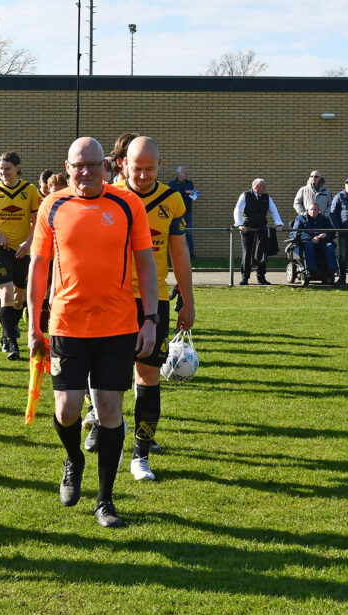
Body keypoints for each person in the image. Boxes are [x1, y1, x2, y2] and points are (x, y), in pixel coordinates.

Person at [26, 136, 159, 528]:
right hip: (66, 324)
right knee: (66, 411)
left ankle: (105, 500)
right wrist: (33, 323)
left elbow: (147, 265)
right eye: (77, 165)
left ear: (107, 166)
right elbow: (37, 266)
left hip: (117, 326)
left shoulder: (127, 204)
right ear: (66, 168)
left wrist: (149, 319)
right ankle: (73, 459)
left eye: (92, 165)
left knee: (109, 412)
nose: (85, 172)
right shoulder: (52, 206)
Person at [109, 136, 194, 481]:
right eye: (137, 168)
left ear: (160, 166)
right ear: (123, 164)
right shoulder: (108, 195)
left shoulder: (171, 200)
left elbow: (180, 254)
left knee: (148, 376)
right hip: (111, 298)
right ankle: (105, 428)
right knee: (109, 378)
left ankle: (141, 455)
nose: (143, 176)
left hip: (152, 300)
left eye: (150, 169)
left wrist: (187, 298)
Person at [0, 151, 42, 361]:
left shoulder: (29, 190)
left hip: (23, 249)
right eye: (1, 169)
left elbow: (38, 222)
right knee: (5, 292)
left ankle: (6, 331)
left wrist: (29, 242)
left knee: (18, 297)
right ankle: (13, 343)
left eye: (7, 169)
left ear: (17, 168)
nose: (3, 173)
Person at [234, 178, 284, 285]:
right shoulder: (245, 196)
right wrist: (240, 225)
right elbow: (238, 210)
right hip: (248, 228)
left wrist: (279, 224)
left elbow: (273, 210)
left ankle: (261, 277)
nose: (265, 188)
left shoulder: (266, 197)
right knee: (247, 253)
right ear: (256, 187)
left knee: (262, 253)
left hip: (261, 228)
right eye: (263, 186)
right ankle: (245, 277)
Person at [292, 202, 337, 277]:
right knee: (309, 245)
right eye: (311, 209)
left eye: (315, 209)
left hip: (322, 241)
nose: (313, 211)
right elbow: (295, 232)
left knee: (330, 245)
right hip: (306, 241)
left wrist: (325, 234)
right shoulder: (300, 218)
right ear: (307, 210)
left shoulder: (324, 219)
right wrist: (310, 238)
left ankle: (331, 270)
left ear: (319, 211)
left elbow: (332, 231)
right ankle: (313, 270)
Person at [168, 165, 198, 257]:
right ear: (179, 174)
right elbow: (172, 195)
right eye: (184, 172)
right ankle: (173, 254)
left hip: (187, 211)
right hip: (175, 213)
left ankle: (191, 254)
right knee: (174, 232)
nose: (186, 174)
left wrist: (193, 194)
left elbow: (194, 195)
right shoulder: (172, 184)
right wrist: (185, 193)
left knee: (188, 232)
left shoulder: (189, 184)